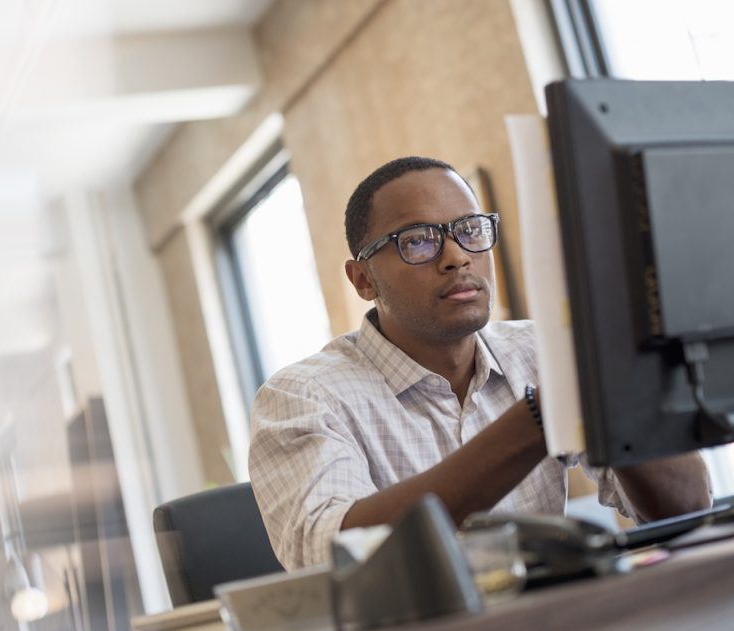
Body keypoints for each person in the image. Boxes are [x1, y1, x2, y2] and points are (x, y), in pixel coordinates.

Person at [249, 156, 712, 570]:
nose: (456, 257)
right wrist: (538, 418)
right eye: (417, 241)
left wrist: (622, 380)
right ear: (363, 279)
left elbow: (688, 509)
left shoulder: (544, 350)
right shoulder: (302, 397)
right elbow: (333, 559)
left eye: (470, 230)